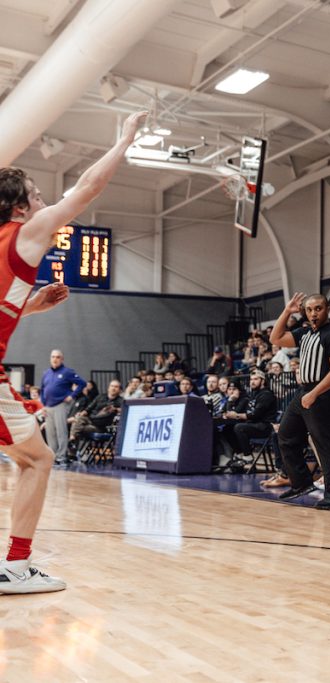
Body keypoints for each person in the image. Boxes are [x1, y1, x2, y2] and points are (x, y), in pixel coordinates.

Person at [0, 109, 147, 594]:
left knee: (33, 458)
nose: (44, 203)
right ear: (20, 210)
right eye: (37, 197)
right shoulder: (25, 234)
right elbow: (87, 187)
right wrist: (124, 139)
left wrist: (32, 307)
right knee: (38, 460)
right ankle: (15, 567)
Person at [268, 292, 330, 509]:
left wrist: (314, 394)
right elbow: (275, 338)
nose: (313, 313)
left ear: (327, 309)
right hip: (304, 391)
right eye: (310, 309)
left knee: (326, 445)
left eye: (318, 309)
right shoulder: (304, 332)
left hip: (324, 394)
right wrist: (287, 311)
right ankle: (301, 483)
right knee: (285, 434)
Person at [222, 370, 277, 468]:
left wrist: (237, 415)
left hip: (265, 426)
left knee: (239, 427)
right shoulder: (254, 394)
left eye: (256, 379)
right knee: (227, 429)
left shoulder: (266, 395)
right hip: (254, 424)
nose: (252, 381)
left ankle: (247, 456)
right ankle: (239, 454)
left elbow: (255, 415)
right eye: (251, 379)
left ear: (263, 381)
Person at [40, 349, 86, 464]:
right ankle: (53, 456)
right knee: (50, 433)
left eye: (58, 357)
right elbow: (42, 390)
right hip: (48, 406)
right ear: (50, 358)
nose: (55, 359)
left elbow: (82, 383)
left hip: (60, 404)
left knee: (61, 431)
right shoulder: (46, 373)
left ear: (62, 359)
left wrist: (72, 396)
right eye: (53, 357)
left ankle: (62, 456)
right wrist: (43, 405)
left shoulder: (67, 372)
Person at [68, 379, 122, 446]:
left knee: (78, 427)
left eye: (116, 387)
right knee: (78, 418)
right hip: (90, 419)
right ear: (108, 388)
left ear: (119, 390)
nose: (113, 388)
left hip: (101, 426)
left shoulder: (121, 401)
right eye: (112, 386)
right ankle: (72, 440)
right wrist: (82, 413)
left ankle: (72, 444)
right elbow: (89, 408)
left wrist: (116, 409)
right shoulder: (100, 397)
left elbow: (123, 410)